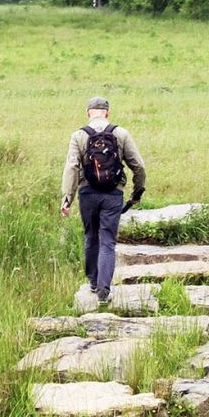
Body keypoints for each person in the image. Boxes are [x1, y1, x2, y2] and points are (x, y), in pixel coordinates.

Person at [59, 96, 147, 305]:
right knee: (108, 241)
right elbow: (139, 166)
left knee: (91, 237)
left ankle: (92, 282)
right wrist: (137, 191)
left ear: (88, 112)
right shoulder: (120, 133)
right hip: (113, 194)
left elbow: (72, 167)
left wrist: (67, 198)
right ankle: (104, 290)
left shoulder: (79, 136)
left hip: (87, 193)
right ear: (107, 112)